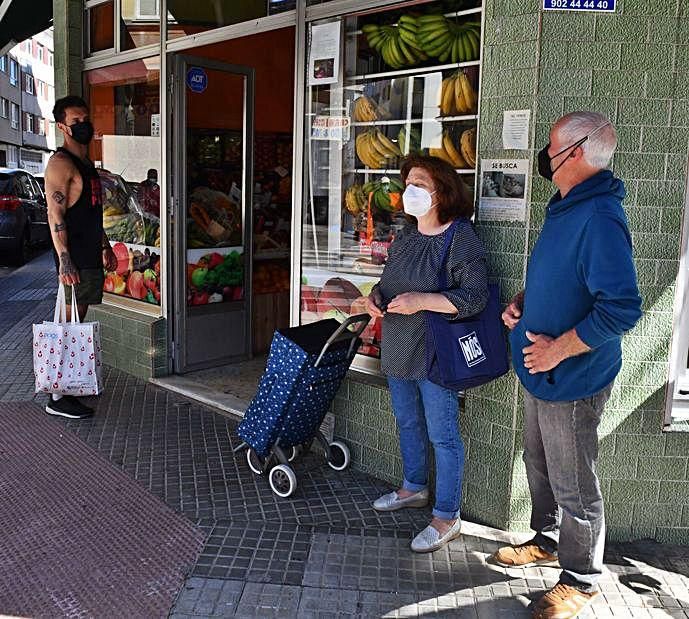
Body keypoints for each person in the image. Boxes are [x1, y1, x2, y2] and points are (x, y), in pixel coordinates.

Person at [491, 111, 642, 619]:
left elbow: (621, 308)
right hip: (541, 371)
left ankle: (581, 578)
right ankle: (547, 538)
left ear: (575, 153)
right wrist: (523, 304)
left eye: (550, 148)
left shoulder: (599, 217)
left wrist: (558, 349)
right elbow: (562, 279)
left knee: (574, 479)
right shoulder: (565, 208)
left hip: (573, 376)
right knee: (539, 463)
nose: (544, 157)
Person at [366, 154, 488, 553]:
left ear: (441, 191)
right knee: (407, 422)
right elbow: (386, 284)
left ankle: (447, 515)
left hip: (437, 352)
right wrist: (373, 299)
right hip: (399, 346)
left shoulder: (461, 236)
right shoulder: (406, 236)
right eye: (408, 183)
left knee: (443, 434)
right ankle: (413, 488)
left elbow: (474, 298)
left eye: (419, 183)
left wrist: (423, 300)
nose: (409, 190)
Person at [44, 95, 117, 420]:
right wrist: (64, 259)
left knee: (77, 320)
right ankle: (57, 396)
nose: (84, 125)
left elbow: (91, 211)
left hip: (88, 255)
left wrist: (103, 246)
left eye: (86, 118)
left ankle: (67, 385)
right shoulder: (61, 164)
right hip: (73, 261)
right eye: (76, 121)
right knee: (67, 323)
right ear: (62, 126)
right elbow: (54, 214)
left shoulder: (86, 164)